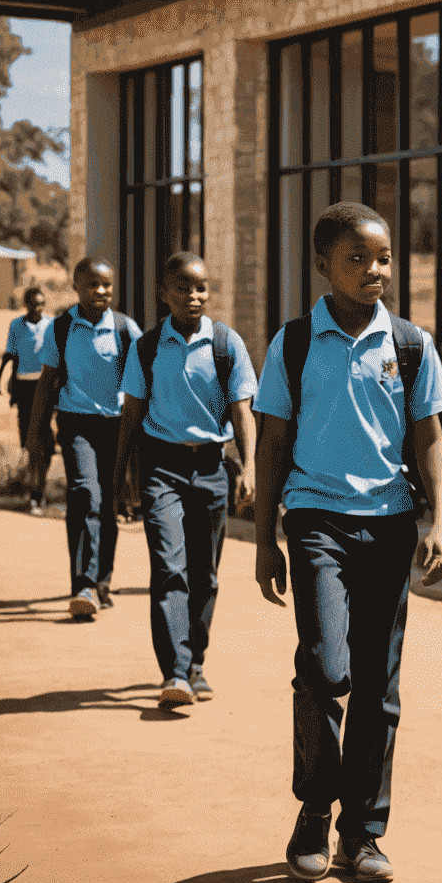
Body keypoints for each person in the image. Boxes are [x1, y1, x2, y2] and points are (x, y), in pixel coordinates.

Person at [252, 202, 442, 883]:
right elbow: (272, 441)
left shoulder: (410, 344)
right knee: (324, 666)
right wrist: (263, 541)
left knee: (378, 684)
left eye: (385, 258)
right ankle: (314, 806)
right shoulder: (295, 342)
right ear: (323, 266)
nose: (375, 270)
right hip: (315, 520)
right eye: (357, 259)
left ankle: (362, 835)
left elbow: (430, 438)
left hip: (391, 523)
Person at [112, 253, 257, 710]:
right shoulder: (148, 347)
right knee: (168, 565)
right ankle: (174, 671)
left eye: (201, 288)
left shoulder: (226, 344)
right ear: (164, 293)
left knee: (205, 575)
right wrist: (121, 476)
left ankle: (196, 662)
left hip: (212, 467)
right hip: (161, 468)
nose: (193, 296)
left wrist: (249, 466)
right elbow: (131, 413)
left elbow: (242, 410)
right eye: (182, 288)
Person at [27, 258, 141, 619]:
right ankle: (84, 584)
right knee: (84, 493)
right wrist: (37, 432)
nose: (101, 291)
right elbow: (46, 382)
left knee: (108, 502)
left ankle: (101, 581)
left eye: (107, 285)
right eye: (92, 284)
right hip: (77, 424)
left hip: (118, 426)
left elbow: (144, 383)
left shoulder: (125, 329)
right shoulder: (61, 328)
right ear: (76, 288)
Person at [0, 286, 53, 506]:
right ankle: (36, 486)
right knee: (29, 437)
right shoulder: (16, 325)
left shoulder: (51, 324)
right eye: (33, 304)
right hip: (24, 385)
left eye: (41, 304)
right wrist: (1, 376)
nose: (38, 308)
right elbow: (11, 353)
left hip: (46, 384)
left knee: (42, 434)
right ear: (26, 305)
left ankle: (38, 489)